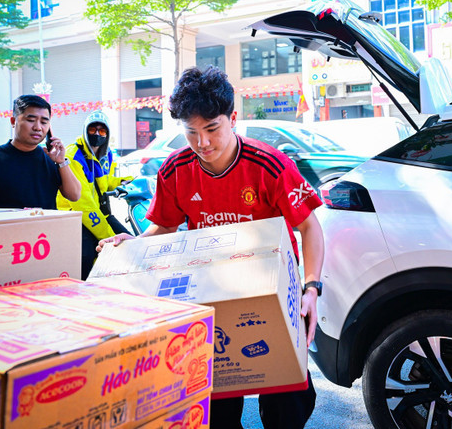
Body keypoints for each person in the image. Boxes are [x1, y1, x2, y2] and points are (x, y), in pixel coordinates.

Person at [99, 66, 325, 429]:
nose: (202, 142)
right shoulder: (174, 170)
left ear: (232, 119)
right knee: (215, 402)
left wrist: (311, 288)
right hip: (210, 293)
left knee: (287, 401)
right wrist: (133, 245)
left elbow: (309, 227)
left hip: (272, 292)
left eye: (211, 129)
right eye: (191, 132)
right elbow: (165, 226)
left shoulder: (270, 165)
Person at [0, 94, 81, 210]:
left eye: (44, 122)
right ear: (13, 121)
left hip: (47, 222)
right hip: (9, 222)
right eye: (31, 120)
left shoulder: (51, 159)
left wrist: (61, 162)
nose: (38, 127)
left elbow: (74, 195)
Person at [57, 111, 132, 280]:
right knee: (87, 257)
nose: (97, 134)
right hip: (74, 215)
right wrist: (107, 235)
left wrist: (124, 182)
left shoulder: (106, 154)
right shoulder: (73, 156)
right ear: (85, 130)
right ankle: (83, 288)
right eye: (92, 129)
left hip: (100, 211)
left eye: (102, 131)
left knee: (131, 243)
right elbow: (83, 204)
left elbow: (103, 182)